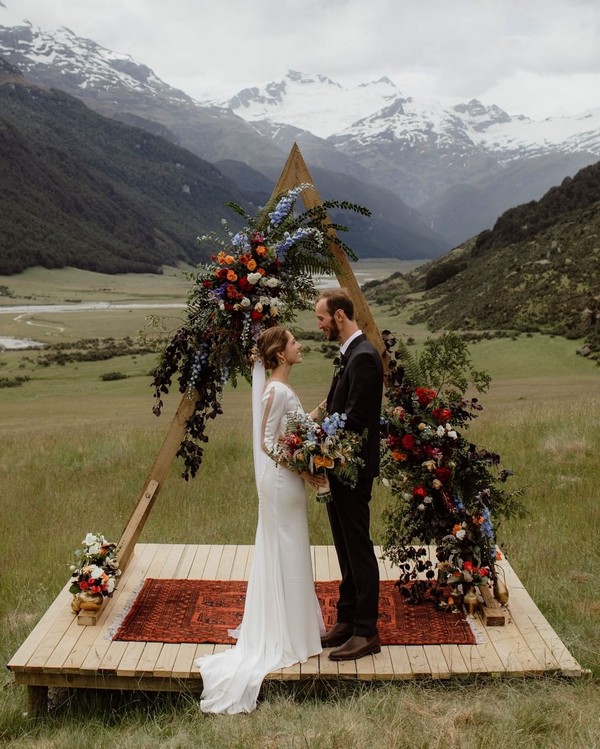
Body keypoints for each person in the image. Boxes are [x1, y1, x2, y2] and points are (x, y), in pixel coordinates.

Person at [196, 326, 325, 714]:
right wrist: (303, 472)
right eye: (293, 342)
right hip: (281, 482)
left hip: (289, 480)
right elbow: (267, 444)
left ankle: (294, 627)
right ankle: (285, 634)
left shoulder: (281, 390)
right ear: (280, 354)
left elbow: (297, 427)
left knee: (292, 548)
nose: (299, 345)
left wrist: (324, 411)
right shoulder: (273, 390)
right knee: (285, 548)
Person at [315, 288, 384, 661]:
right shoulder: (350, 356)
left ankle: (366, 630)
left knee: (357, 547)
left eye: (321, 318)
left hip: (353, 468)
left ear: (339, 316)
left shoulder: (365, 358)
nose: (320, 325)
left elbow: (356, 419)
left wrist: (318, 444)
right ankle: (346, 618)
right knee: (343, 545)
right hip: (338, 466)